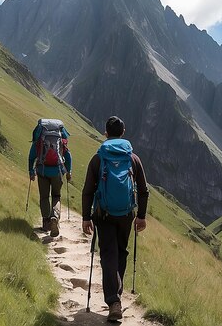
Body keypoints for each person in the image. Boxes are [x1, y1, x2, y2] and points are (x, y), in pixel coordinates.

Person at [82, 116, 149, 322]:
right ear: (123, 132)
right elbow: (143, 190)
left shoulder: (98, 158)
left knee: (108, 254)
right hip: (126, 214)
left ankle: (113, 301)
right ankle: (116, 297)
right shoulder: (133, 158)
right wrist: (141, 217)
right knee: (121, 252)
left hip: (103, 214)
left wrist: (86, 217)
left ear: (105, 133)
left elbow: (88, 191)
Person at [29, 119, 72, 237]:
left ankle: (46, 223)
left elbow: (32, 156)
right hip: (57, 172)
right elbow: (68, 156)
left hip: (42, 170)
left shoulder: (39, 139)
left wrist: (31, 171)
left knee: (44, 197)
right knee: (56, 196)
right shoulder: (60, 138)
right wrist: (69, 172)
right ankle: (55, 217)